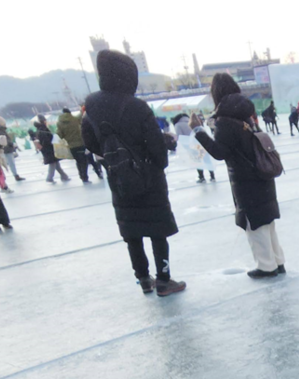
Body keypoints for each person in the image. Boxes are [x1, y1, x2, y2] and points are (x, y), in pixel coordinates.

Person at [81, 49, 185, 296]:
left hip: (118, 176)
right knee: (157, 230)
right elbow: (156, 148)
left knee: (132, 231)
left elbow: (89, 140)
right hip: (148, 177)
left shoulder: (91, 106)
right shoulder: (137, 107)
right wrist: (156, 161)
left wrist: (113, 158)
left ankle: (143, 279)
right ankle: (163, 279)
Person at [193, 73, 285, 280]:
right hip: (263, 173)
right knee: (268, 221)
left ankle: (266, 266)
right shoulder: (246, 113)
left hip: (246, 180)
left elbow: (220, 152)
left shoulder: (225, 119)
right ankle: (278, 261)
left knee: (255, 224)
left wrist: (199, 131)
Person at [56, 107, 90, 181]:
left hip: (71, 146)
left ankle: (81, 174)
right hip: (81, 143)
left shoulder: (59, 123)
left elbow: (59, 135)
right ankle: (85, 176)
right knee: (84, 161)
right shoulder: (75, 119)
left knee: (78, 161)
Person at [34, 115, 70, 183]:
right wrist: (53, 141)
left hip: (47, 149)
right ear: (43, 121)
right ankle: (50, 178)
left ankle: (64, 176)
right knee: (53, 163)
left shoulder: (40, 129)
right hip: (49, 149)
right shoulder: (43, 129)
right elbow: (47, 141)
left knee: (56, 164)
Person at [0, 116, 26, 182]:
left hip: (4, 149)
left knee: (6, 163)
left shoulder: (0, 131)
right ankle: (15, 175)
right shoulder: (2, 132)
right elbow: (6, 141)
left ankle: (9, 176)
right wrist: (12, 144)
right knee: (11, 163)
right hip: (7, 149)